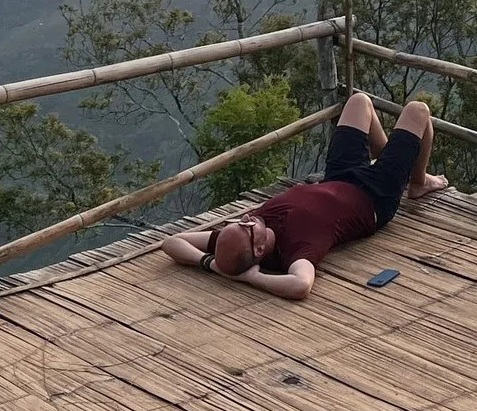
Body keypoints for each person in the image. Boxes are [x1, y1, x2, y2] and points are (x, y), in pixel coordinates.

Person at [160, 90, 448, 299]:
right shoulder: (296, 250)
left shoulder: (241, 236)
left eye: (239, 222)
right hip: (374, 196)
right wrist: (253, 278)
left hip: (337, 176)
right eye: (246, 227)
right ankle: (417, 182)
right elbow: (300, 285)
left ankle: (394, 164)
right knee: (418, 111)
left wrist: (210, 264)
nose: (247, 218)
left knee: (359, 102)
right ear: (259, 251)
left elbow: (171, 242)